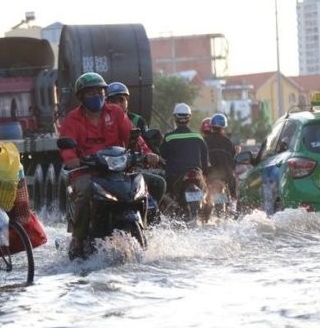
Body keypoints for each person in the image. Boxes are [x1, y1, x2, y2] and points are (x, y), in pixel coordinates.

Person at [59, 72, 163, 259]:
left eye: (100, 92)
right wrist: (72, 159)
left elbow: (133, 136)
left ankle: (146, 228)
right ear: (81, 97)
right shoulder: (72, 119)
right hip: (87, 171)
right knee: (84, 192)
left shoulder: (115, 113)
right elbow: (67, 148)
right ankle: (78, 238)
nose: (96, 96)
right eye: (91, 93)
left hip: (118, 170)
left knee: (141, 186)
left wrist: (147, 153)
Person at [160, 102, 209, 190]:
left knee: (165, 193)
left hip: (174, 177)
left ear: (175, 118)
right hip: (197, 176)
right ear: (189, 117)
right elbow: (205, 160)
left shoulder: (168, 137)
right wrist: (204, 174)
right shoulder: (198, 137)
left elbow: (162, 156)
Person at [204, 113, 237, 199]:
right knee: (233, 183)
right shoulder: (228, 142)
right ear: (224, 127)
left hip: (210, 173)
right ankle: (233, 202)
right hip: (225, 174)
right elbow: (233, 158)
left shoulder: (205, 140)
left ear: (211, 126)